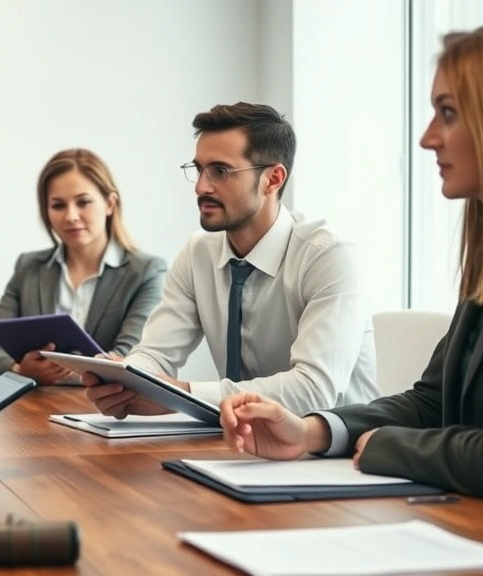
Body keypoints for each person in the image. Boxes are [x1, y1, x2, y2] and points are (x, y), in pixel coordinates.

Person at [219, 16, 483, 511]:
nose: (426, 138)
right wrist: (309, 431)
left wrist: (385, 446)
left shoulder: (328, 252)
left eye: (447, 112)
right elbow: (430, 403)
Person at [84, 103, 380, 416]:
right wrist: (126, 377)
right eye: (198, 170)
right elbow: (155, 354)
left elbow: (312, 391)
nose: (201, 187)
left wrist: (178, 394)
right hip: (239, 445)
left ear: (273, 179)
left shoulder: (329, 257)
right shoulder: (199, 253)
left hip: (335, 453)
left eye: (220, 172)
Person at [0, 148, 166, 385]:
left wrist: (51, 372)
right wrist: (20, 370)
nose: (71, 216)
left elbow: (128, 363)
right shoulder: (29, 267)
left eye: (83, 202)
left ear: (110, 204)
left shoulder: (146, 272)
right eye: (58, 205)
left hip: (104, 411)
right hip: (33, 408)